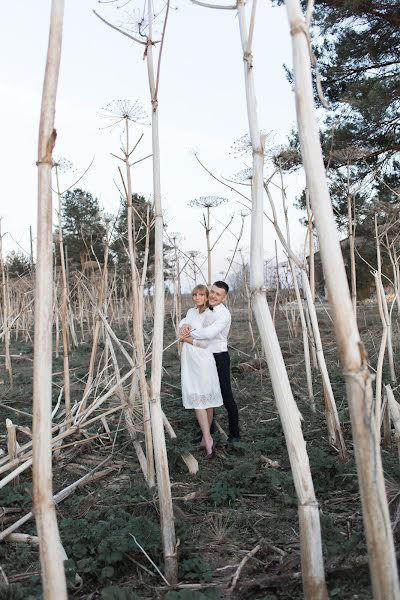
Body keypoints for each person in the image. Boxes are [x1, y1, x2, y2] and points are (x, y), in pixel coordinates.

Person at [180, 281, 240, 444]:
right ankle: (207, 431)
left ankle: (235, 434)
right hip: (201, 356)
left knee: (226, 394)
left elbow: (208, 333)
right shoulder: (202, 308)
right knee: (203, 393)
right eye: (212, 292)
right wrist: (184, 325)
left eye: (218, 294)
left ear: (224, 297)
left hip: (218, 356)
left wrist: (188, 332)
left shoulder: (224, 314)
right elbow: (187, 319)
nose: (213, 296)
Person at [179, 284, 223, 459]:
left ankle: (208, 439)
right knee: (202, 399)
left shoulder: (209, 316)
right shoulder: (191, 312)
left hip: (203, 359)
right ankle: (207, 439)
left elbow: (205, 343)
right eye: (194, 295)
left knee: (201, 400)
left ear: (206, 297)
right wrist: (183, 330)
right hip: (189, 360)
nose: (197, 298)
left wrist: (186, 339)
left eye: (200, 295)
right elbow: (183, 325)